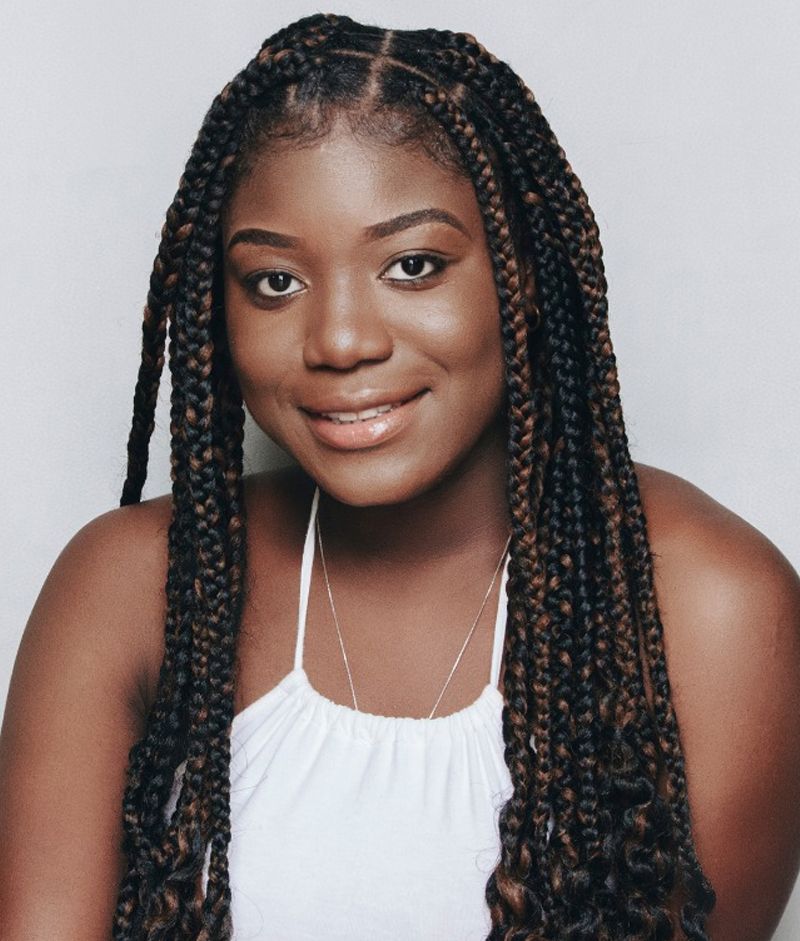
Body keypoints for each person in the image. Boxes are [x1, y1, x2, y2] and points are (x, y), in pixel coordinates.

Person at [1, 11, 799, 941]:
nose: (342, 340)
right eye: (274, 282)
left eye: (413, 266)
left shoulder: (710, 607)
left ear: (523, 274)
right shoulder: (131, 587)